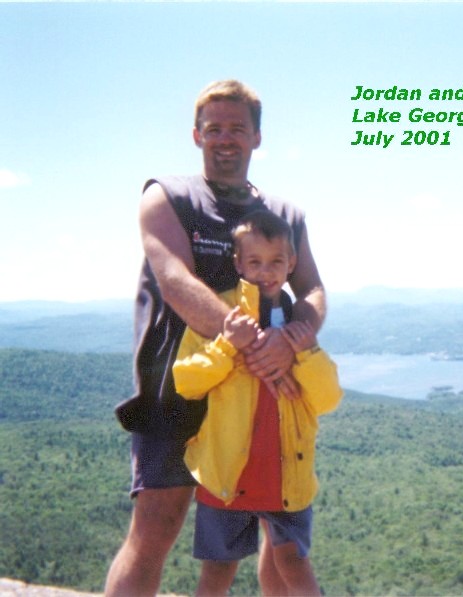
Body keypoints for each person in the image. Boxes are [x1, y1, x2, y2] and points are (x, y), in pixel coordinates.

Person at [106, 79, 326, 596]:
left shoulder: (284, 217)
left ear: (256, 137)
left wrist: (295, 336)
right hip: (179, 390)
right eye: (214, 129)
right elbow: (176, 280)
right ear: (196, 135)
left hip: (261, 398)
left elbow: (312, 289)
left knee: (276, 534)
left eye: (237, 129)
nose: (225, 138)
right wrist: (252, 345)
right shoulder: (168, 197)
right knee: (156, 526)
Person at [172, 210, 342, 596]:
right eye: (255, 262)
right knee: (218, 570)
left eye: (276, 262)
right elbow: (187, 381)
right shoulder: (224, 314)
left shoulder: (300, 323)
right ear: (238, 262)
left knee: (292, 562)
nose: (266, 272)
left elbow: (328, 398)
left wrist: (307, 352)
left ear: (291, 263)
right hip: (228, 472)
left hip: (287, 471)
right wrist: (226, 344)